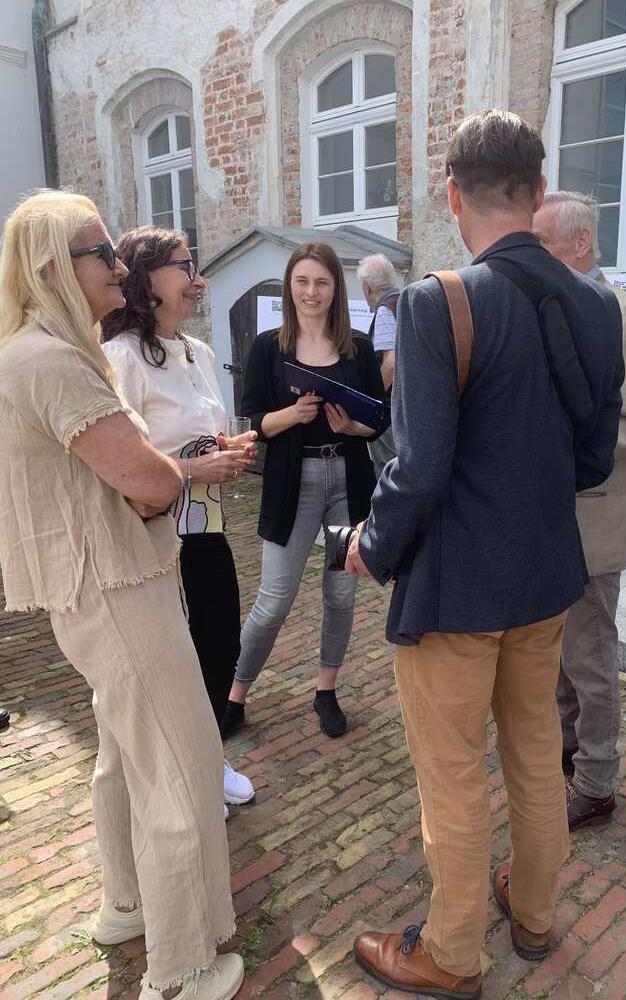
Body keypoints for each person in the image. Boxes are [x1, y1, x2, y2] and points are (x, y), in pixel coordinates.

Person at [344, 110, 625, 997]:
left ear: (452, 195)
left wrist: (372, 546)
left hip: (456, 590)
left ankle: (451, 953)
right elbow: (593, 461)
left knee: (454, 775)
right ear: (537, 192)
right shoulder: (597, 303)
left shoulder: (440, 300)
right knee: (537, 753)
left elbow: (420, 467)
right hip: (546, 579)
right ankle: (533, 913)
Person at [0, 191, 243, 1000]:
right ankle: (184, 966)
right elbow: (150, 481)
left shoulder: (34, 352)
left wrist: (156, 475)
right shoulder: (51, 359)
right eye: (100, 252)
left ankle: (127, 905)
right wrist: (169, 473)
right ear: (53, 266)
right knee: (183, 766)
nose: (117, 265)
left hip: (98, 585)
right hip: (118, 585)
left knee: (123, 755)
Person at [101, 226, 257, 813]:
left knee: (219, 643)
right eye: (184, 266)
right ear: (145, 278)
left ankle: (208, 756)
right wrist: (195, 468)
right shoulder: (120, 358)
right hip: (155, 539)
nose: (198, 280)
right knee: (174, 661)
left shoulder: (199, 352)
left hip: (208, 528)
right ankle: (183, 777)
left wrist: (226, 451)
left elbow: (201, 434)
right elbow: (118, 465)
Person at [532, 191, 626, 830]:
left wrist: (555, 441)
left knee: (589, 652)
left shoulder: (621, 313)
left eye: (541, 241)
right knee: (560, 647)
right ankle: (568, 748)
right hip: (553, 515)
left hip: (595, 516)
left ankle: (596, 781)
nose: (531, 252)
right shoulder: (552, 309)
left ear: (580, 243)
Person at [221, 242, 386, 739]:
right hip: (295, 486)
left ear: (336, 289)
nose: (311, 292)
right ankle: (234, 694)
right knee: (274, 598)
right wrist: (291, 415)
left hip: (346, 485)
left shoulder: (357, 349)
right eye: (302, 282)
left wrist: (353, 427)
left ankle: (326, 690)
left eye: (322, 283)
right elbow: (253, 423)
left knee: (340, 592)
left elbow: (379, 420)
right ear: (290, 287)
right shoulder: (269, 348)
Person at [357, 254, 400, 479]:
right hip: (406, 406)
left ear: (367, 287)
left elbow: (390, 362)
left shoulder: (385, 310)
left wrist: (371, 402)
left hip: (389, 409)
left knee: (387, 470)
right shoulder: (404, 301)